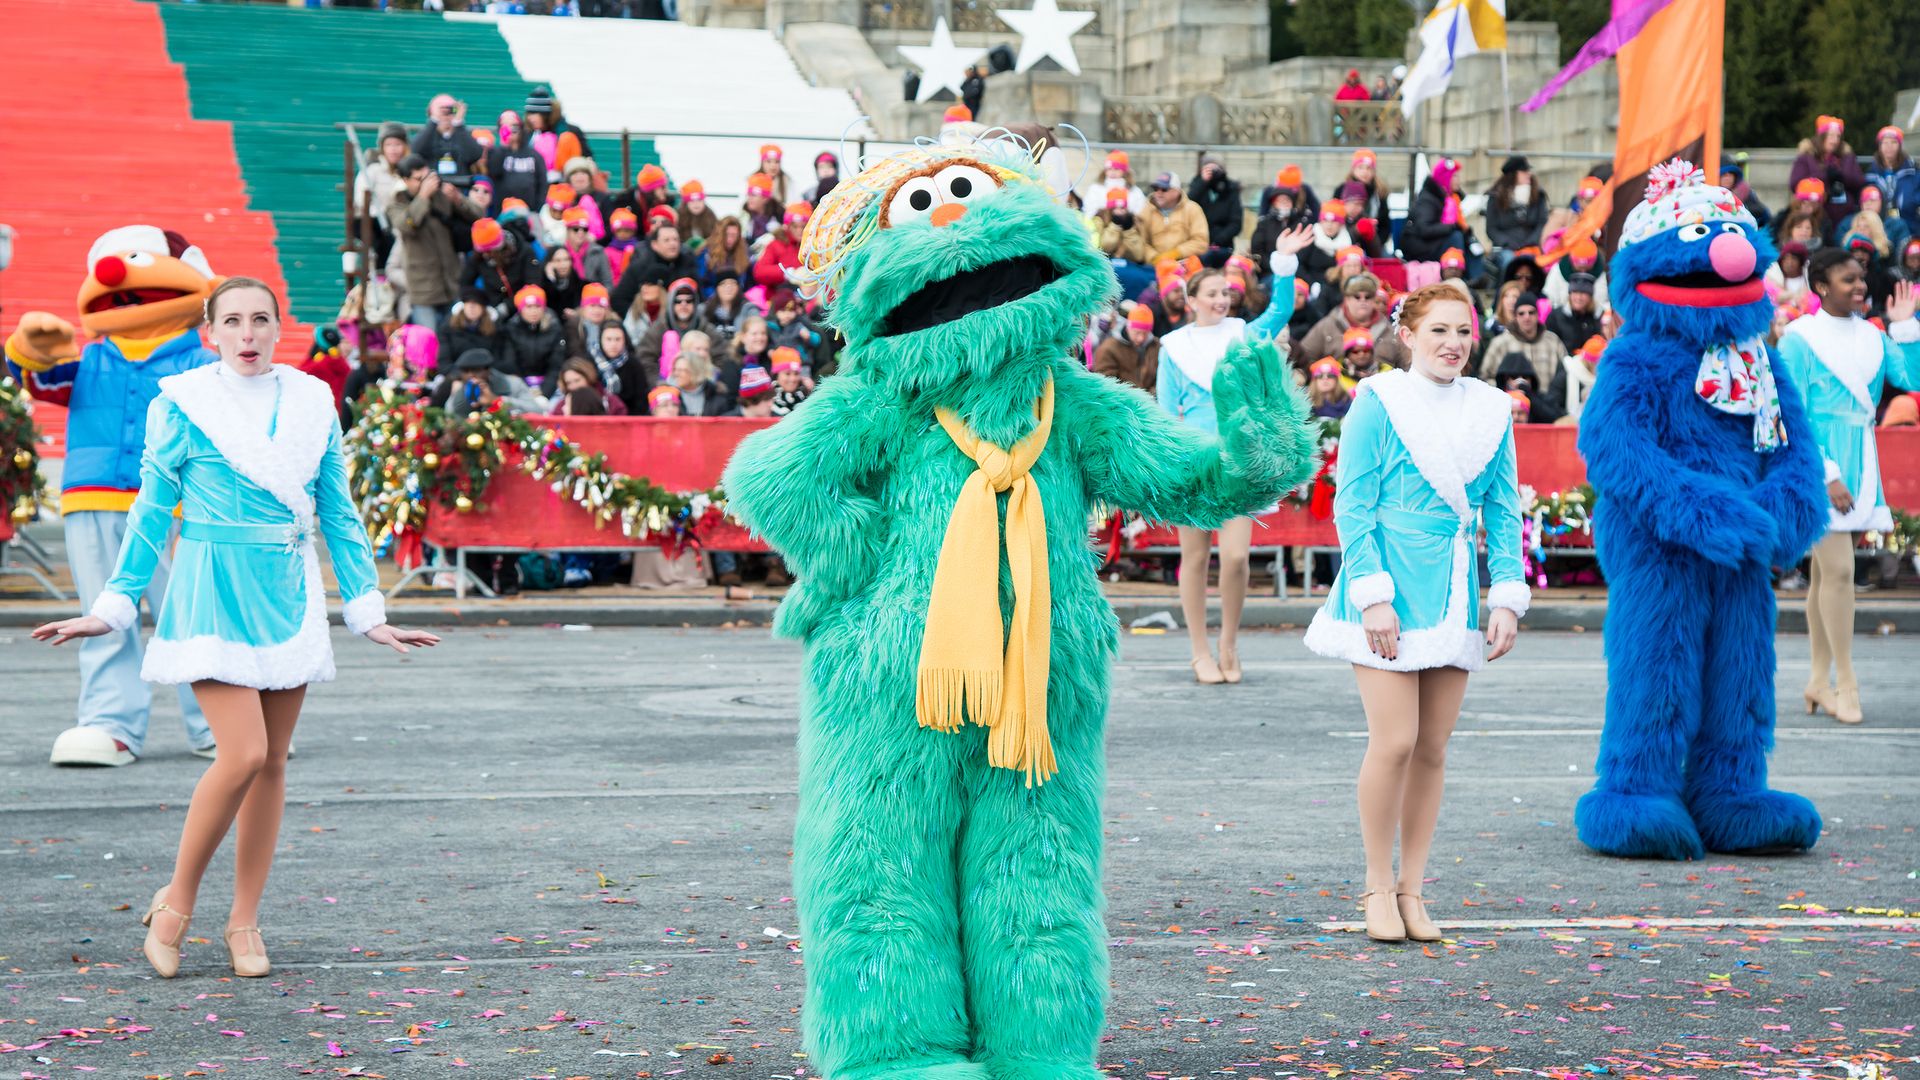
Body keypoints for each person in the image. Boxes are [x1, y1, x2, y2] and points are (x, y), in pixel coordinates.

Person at [31, 278, 439, 978]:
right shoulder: (183, 403)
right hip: (210, 590)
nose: (247, 333)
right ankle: (177, 902)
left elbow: (338, 513)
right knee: (243, 753)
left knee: (274, 763)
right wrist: (114, 605)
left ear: (279, 327)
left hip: (287, 591)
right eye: (233, 321)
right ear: (209, 333)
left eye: (260, 319)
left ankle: (244, 920)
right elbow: (151, 514)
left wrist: (367, 608)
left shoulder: (313, 401)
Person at [1301, 282, 1527, 942]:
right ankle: (1376, 884)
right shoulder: (1379, 400)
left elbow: (1505, 512)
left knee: (1431, 748)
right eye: (1438, 331)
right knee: (1394, 740)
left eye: (1463, 331)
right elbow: (1354, 502)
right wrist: (1371, 594)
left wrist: (1506, 595)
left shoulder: (1492, 409)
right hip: (1387, 584)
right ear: (1408, 334)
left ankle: (1413, 891)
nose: (1453, 343)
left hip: (1452, 588)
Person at [1156, 227, 1310, 684]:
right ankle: (1199, 651)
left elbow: (1281, 309)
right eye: (1213, 294)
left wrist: (1283, 262)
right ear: (1192, 300)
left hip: (1241, 459)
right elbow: (1167, 410)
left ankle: (1229, 643)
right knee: (1196, 557)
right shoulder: (1174, 348)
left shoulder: (1243, 333)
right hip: (1196, 461)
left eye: (1226, 292)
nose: (1222, 300)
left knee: (1238, 558)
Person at [1776, 257, 1920, 725]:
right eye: (1848, 279)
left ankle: (1818, 680)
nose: (1860, 285)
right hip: (1820, 467)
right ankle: (1846, 682)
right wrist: (1826, 473)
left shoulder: (1874, 336)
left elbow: (1912, 381)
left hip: (1863, 463)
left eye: (1862, 278)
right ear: (1821, 285)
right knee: (1839, 572)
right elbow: (1791, 413)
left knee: (1826, 575)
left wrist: (1904, 328)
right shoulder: (1800, 339)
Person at [387, 155, 478, 331]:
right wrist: (423, 196)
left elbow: (477, 216)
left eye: (427, 177)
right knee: (428, 340)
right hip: (423, 290)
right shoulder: (397, 203)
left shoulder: (442, 197)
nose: (425, 183)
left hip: (451, 283)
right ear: (406, 180)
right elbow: (408, 225)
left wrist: (458, 199)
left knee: (454, 337)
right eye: (418, 179)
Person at [1299, 273, 1408, 374]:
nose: (1363, 301)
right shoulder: (1327, 326)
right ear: (1346, 299)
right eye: (1357, 296)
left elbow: (1408, 366)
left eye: (1368, 297)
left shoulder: (1390, 330)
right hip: (1338, 392)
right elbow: (1303, 358)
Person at [1790, 115, 1867, 233]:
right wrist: (1824, 177)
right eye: (1831, 136)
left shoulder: (1847, 157)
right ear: (1821, 136)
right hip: (1817, 214)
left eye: (1838, 136)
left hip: (1845, 213)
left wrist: (1842, 177)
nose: (1835, 140)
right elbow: (1795, 183)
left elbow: (1860, 181)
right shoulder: (1806, 157)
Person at [1400, 158, 1473, 275]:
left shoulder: (1453, 199)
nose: (1458, 181)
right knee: (1456, 237)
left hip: (1435, 242)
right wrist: (1452, 227)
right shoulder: (1428, 199)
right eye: (1454, 176)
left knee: (1469, 240)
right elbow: (1424, 229)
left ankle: (1475, 277)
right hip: (1420, 246)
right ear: (1444, 178)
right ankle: (1460, 276)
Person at [353, 122, 410, 272]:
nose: (393, 149)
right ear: (382, 148)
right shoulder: (373, 170)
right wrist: (383, 214)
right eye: (389, 145)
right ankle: (380, 275)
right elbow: (360, 199)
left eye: (397, 144)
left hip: (399, 222)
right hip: (374, 220)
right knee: (383, 238)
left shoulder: (409, 171)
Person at [1482, 291, 1565, 387]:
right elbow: (1484, 377)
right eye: (1521, 313)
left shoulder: (1553, 341)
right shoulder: (1500, 342)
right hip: (1511, 400)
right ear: (1515, 316)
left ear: (1538, 314)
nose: (1527, 317)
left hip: (1548, 400)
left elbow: (1565, 374)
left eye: (1531, 312)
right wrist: (1504, 387)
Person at [611, 223, 697, 315]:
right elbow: (619, 300)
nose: (673, 243)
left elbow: (697, 296)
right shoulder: (640, 267)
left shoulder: (687, 263)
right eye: (666, 240)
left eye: (676, 239)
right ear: (654, 244)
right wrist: (640, 318)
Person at [636, 277, 711, 381]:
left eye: (689, 300)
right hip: (667, 387)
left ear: (695, 303)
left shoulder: (704, 326)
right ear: (671, 303)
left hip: (700, 385)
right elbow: (645, 359)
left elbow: (721, 356)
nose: (683, 304)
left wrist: (708, 382)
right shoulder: (659, 327)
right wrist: (659, 383)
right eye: (678, 301)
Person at [429, 346, 543, 414]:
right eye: (466, 371)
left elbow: (536, 410)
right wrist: (464, 397)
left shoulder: (513, 384)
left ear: (488, 370)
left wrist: (497, 401)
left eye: (476, 371)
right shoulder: (458, 386)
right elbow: (451, 416)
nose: (470, 375)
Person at [1485, 156, 1548, 272]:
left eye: (1528, 171)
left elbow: (1542, 222)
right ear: (1513, 174)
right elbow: (1491, 229)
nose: (1528, 174)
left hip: (1532, 245)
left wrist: (1531, 241)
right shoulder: (1496, 197)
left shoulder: (1538, 195)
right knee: (1509, 261)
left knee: (1537, 262)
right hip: (1507, 248)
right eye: (1524, 171)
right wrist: (1507, 242)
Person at [499, 284, 567, 389]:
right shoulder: (511, 330)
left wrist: (544, 392)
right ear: (521, 309)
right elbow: (510, 364)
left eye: (538, 306)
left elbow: (556, 366)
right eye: (529, 307)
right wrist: (525, 391)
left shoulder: (555, 329)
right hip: (519, 385)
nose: (534, 311)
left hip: (550, 386)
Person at [411, 93, 483, 186]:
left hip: (460, 189)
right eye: (441, 110)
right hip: (433, 189)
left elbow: (475, 155)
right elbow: (416, 150)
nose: (445, 114)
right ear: (431, 113)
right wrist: (434, 120)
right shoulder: (427, 136)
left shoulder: (462, 135)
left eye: (450, 110)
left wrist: (458, 123)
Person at [1140, 172, 1211, 265]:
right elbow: (1140, 241)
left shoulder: (1193, 209)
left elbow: (1201, 242)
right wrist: (1155, 258)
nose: (1158, 193)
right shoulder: (1146, 210)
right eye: (1155, 188)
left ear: (1177, 191)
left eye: (1164, 189)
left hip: (1185, 265)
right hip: (1153, 266)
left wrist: (1176, 253)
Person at [1188, 155, 1244, 267]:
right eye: (1208, 169)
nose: (1212, 173)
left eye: (1215, 169)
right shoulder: (1197, 186)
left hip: (1223, 246)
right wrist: (1202, 183)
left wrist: (1218, 240)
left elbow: (1236, 223)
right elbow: (1188, 206)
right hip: (1198, 244)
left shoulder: (1231, 190)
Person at [1093, 304, 1159, 394]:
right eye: (1137, 333)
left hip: (1151, 402)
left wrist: (1151, 397)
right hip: (1122, 402)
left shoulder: (1156, 346)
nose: (1141, 338)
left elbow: (1163, 377)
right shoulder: (1108, 348)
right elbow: (1105, 383)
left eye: (1146, 333)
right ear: (1128, 328)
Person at [1869, 126, 1919, 240]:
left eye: (1893, 142)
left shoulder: (1913, 173)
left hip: (1910, 228)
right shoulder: (1870, 175)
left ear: (1900, 146)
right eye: (1885, 143)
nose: (1889, 147)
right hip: (1879, 231)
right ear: (1879, 146)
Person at [755, 202, 811, 289]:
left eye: (803, 226)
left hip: (810, 294)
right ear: (787, 226)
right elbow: (759, 271)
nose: (799, 231)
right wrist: (786, 272)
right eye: (795, 227)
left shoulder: (814, 247)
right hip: (781, 294)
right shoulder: (776, 245)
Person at [438, 288, 500, 367]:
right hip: (457, 374)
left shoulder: (495, 330)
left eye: (476, 303)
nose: (471, 307)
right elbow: (444, 361)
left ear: (483, 308)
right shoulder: (448, 328)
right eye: (468, 303)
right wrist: (457, 375)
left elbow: (500, 359)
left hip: (487, 373)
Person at [1545, 274, 1603, 352]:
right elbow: (1550, 345)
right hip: (1565, 361)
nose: (1578, 297)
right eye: (1575, 292)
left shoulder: (1598, 316)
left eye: (1583, 293)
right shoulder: (1555, 317)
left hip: (1591, 362)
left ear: (1590, 296)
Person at [666, 350, 731, 417]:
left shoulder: (716, 396)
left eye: (681, 370)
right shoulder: (667, 397)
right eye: (675, 369)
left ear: (695, 372)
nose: (676, 374)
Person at [540, 243, 584, 316]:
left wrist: (577, 313)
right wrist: (551, 278)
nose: (563, 264)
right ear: (549, 263)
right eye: (558, 260)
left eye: (566, 259)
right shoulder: (542, 285)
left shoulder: (579, 284)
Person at [770, 350, 811, 416]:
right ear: (776, 376)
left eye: (796, 374)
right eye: (787, 374)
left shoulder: (805, 396)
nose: (793, 379)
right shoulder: (767, 400)